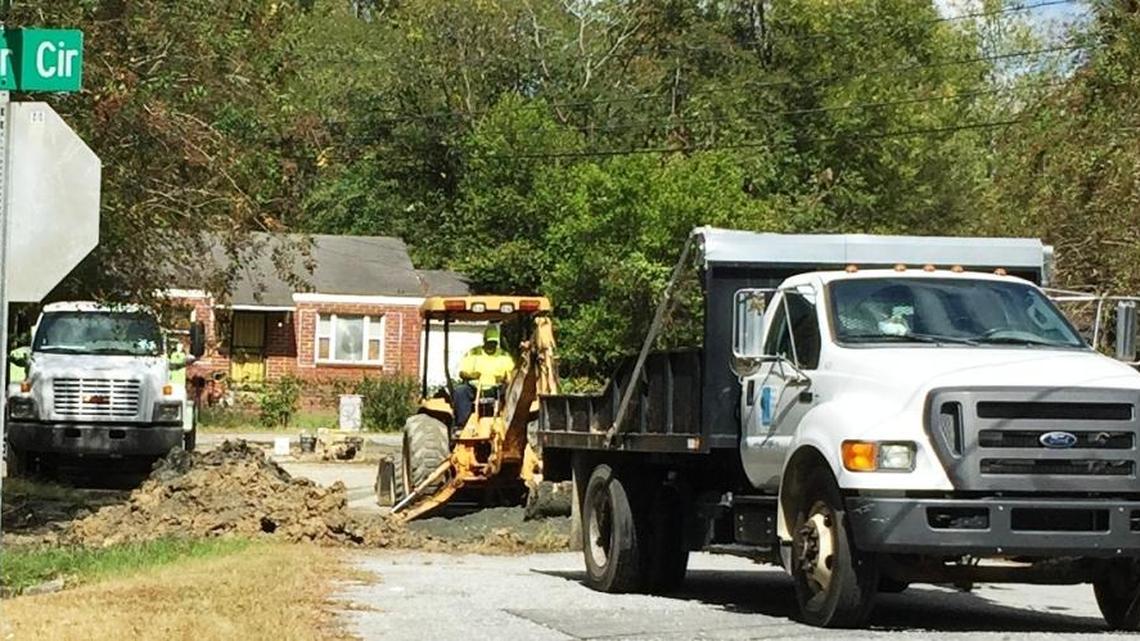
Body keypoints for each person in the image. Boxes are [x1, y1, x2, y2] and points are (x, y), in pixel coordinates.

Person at [453, 325, 515, 429]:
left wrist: (505, 378)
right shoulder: (473, 353)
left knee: (511, 392)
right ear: (484, 341)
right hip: (475, 388)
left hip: (497, 389)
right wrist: (472, 375)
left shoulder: (504, 356)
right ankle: (462, 426)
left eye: (494, 343)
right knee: (460, 391)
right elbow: (462, 373)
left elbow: (512, 375)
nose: (492, 345)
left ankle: (510, 423)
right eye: (489, 342)